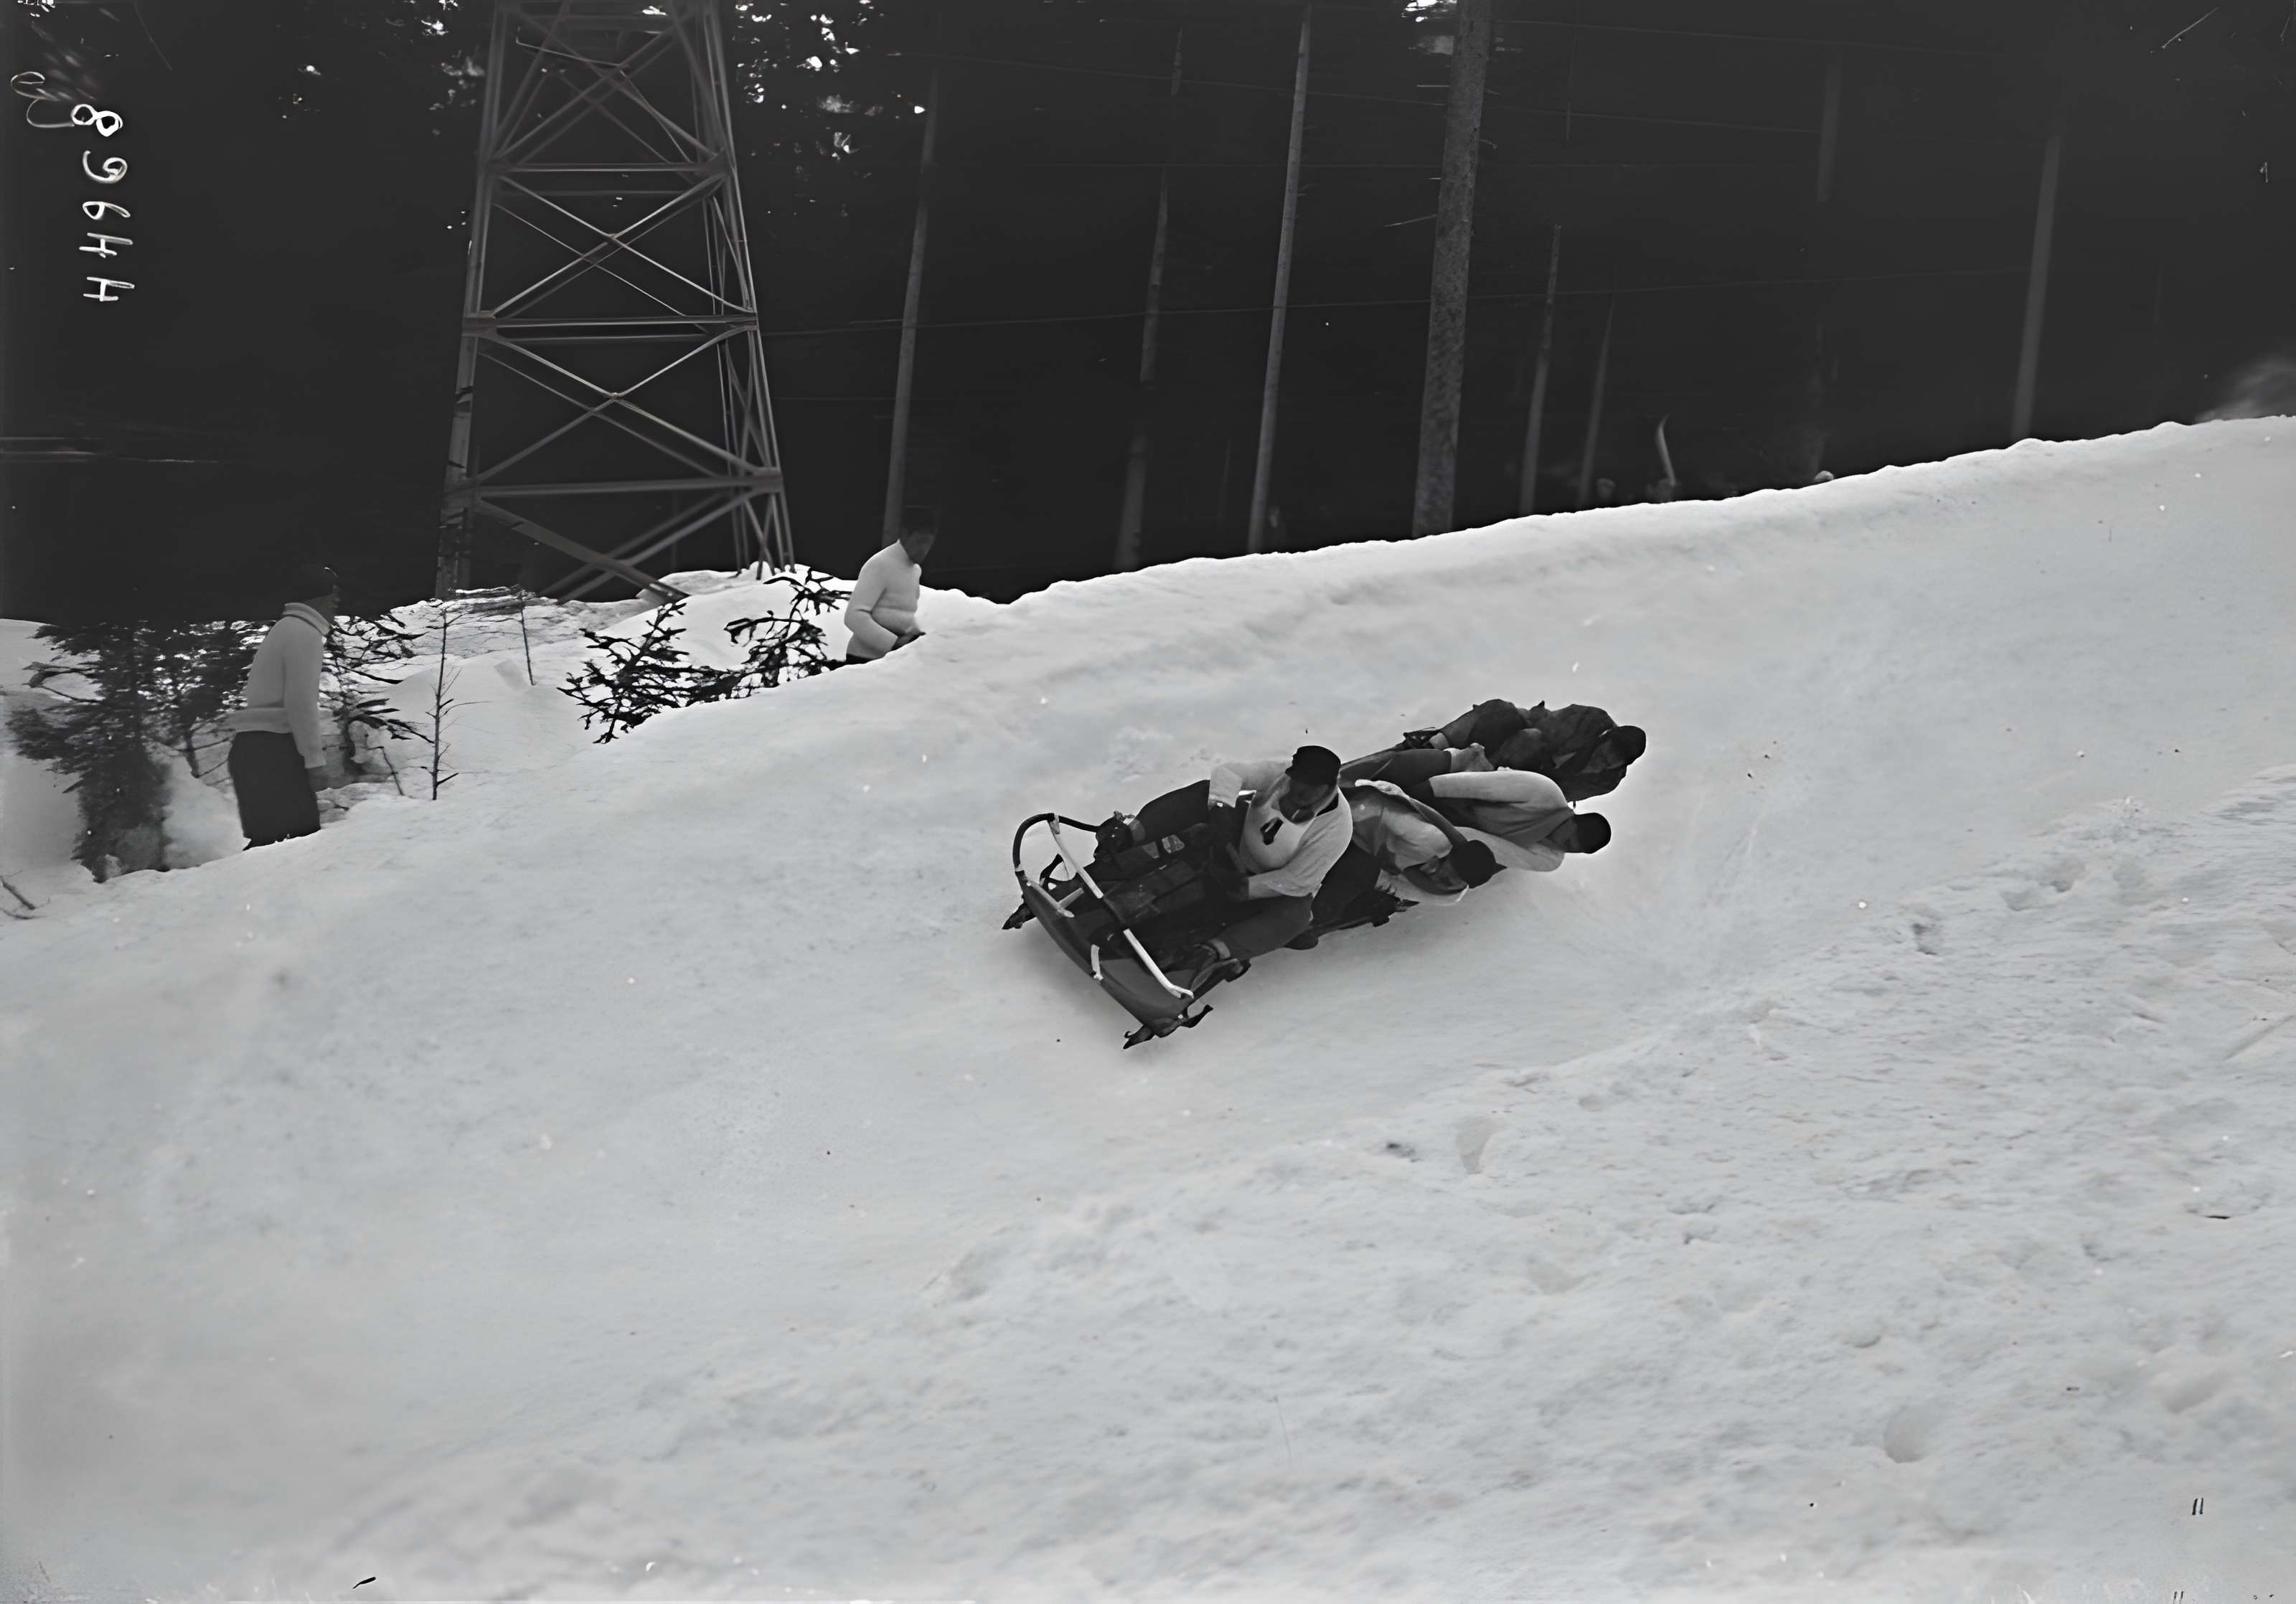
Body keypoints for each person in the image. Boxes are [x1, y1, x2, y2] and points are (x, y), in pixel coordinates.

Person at [1114, 745, 1352, 988]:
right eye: (1298, 780)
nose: (1300, 790)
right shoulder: (1281, 775)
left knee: (1297, 917)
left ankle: (1214, 952)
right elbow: (1228, 773)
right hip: (1234, 845)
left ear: (1330, 786)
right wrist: (1221, 812)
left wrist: (1246, 887)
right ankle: (1130, 835)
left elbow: (1298, 879)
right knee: (1205, 793)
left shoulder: (1337, 827)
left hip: (1267, 887)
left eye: (1311, 786)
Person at [227, 561, 337, 849]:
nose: (337, 602)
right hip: (274, 752)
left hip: (256, 748)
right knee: (301, 848)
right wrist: (315, 762)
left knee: (270, 849)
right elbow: (300, 702)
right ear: (320, 598)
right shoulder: (304, 632)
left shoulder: (286, 628)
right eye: (333, 595)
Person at [1393, 699, 1645, 803]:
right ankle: (1436, 744)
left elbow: (1556, 794)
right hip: (1531, 742)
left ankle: (1476, 789)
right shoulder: (1588, 720)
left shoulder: (1607, 780)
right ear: (1603, 739)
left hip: (1537, 781)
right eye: (1603, 755)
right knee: (1505, 715)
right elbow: (1543, 729)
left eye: (1610, 763)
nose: (1602, 764)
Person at [842, 516, 936, 665]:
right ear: (905, 535)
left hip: (894, 660)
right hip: (864, 660)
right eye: (920, 541)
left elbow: (903, 612)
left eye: (929, 544)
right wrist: (894, 643)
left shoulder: (915, 570)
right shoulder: (879, 564)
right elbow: (853, 617)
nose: (924, 549)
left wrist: (915, 635)